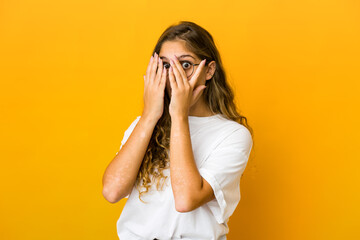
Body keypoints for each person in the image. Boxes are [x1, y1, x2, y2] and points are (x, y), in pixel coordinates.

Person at [102, 21, 254, 240]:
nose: (174, 76)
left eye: (185, 65)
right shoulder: (143, 124)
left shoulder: (233, 135)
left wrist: (179, 115)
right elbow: (112, 191)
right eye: (165, 66)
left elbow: (186, 200)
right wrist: (149, 116)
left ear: (209, 70)